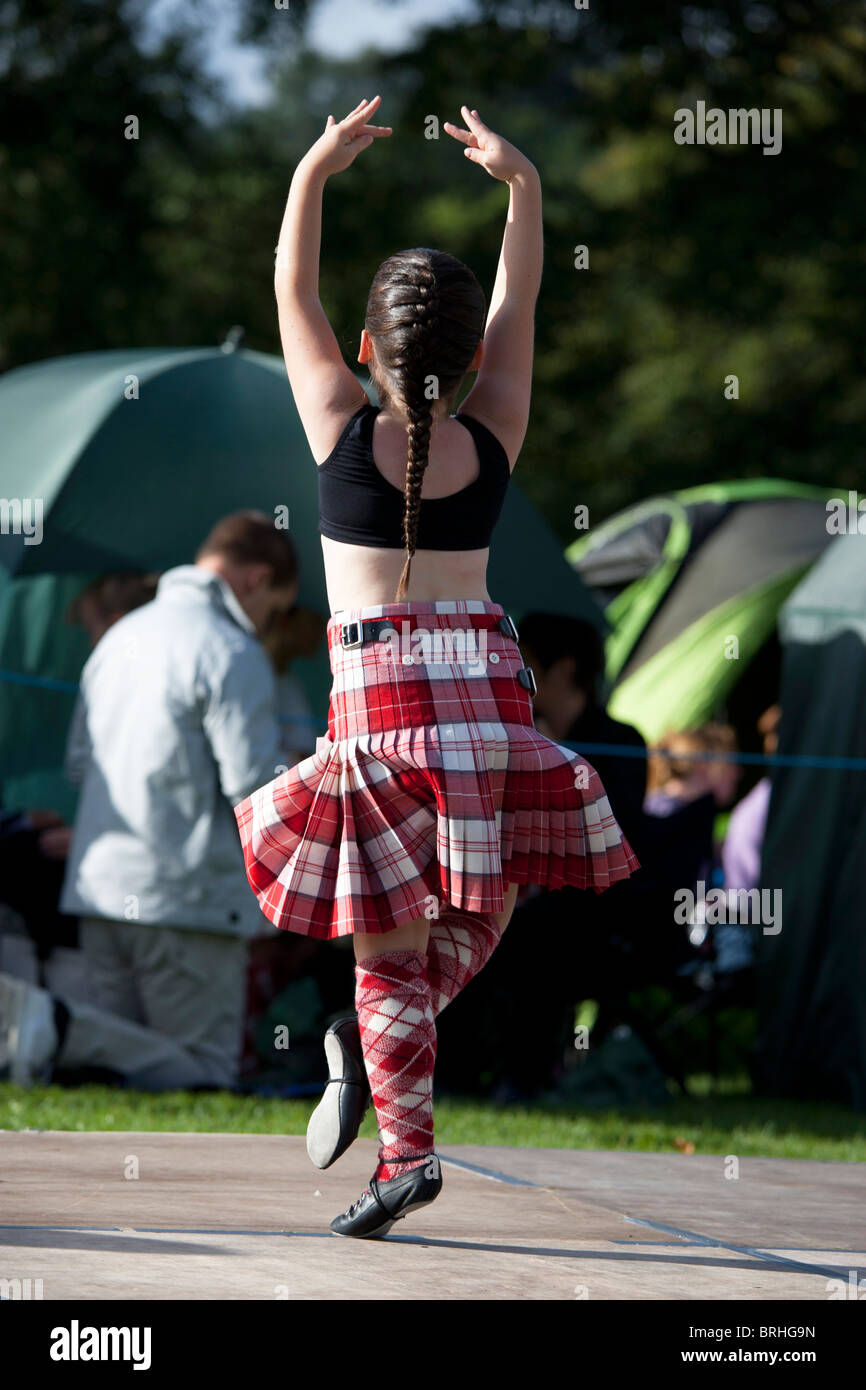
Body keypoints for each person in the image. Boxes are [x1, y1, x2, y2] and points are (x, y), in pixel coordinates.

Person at [233, 97, 639, 1239]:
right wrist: (524, 190)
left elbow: (290, 291)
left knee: (388, 946)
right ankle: (375, 1061)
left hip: (382, 703)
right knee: (482, 907)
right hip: (487, 695)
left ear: (366, 352)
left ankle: (403, 1147)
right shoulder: (493, 425)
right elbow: (519, 307)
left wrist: (313, 169)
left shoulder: (332, 418)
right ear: (466, 365)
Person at [0, 512, 296, 1091]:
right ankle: (56, 1027)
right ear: (257, 580)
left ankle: (56, 1027)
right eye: (278, 609)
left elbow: (80, 765)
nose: (271, 625)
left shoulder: (119, 637)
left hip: (101, 889)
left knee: (124, 1072)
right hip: (184, 900)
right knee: (208, 1074)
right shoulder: (232, 650)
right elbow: (254, 789)